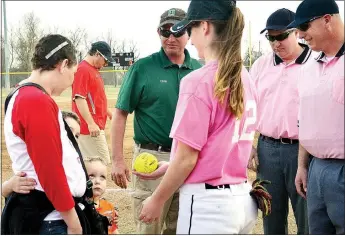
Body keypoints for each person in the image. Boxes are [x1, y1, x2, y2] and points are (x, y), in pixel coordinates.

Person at [137, 0, 259, 234]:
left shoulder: (198, 80)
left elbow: (187, 159)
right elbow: (215, 146)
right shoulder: (245, 76)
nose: (190, 40)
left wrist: (157, 199)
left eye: (191, 29)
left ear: (205, 27)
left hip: (209, 206)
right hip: (242, 199)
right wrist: (170, 165)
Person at [111, 7, 201, 234]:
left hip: (187, 159)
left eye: (177, 31)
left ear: (189, 33)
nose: (171, 37)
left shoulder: (200, 70)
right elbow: (120, 114)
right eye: (165, 31)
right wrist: (117, 160)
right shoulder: (143, 68)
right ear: (158, 32)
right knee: (148, 228)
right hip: (151, 158)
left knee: (180, 228)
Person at [3, 34, 86, 234]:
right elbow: (50, 170)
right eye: (73, 72)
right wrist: (74, 224)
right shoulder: (35, 100)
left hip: (46, 214)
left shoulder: (25, 95)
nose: (71, 81)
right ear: (63, 64)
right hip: (50, 220)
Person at [248, 8, 311, 235]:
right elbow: (245, 109)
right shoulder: (260, 66)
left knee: (307, 218)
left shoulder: (315, 63)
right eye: (271, 38)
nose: (276, 43)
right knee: (270, 216)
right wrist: (249, 146)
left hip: (303, 150)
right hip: (267, 150)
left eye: (282, 36)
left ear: (297, 32)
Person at [287, 0, 344, 234]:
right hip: (316, 169)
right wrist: (303, 166)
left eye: (304, 27)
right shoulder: (309, 65)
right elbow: (307, 121)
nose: (300, 35)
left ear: (327, 20)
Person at [2, 111, 81, 198]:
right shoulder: (32, 159)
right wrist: (10, 185)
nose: (73, 138)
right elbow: (4, 191)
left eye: (77, 136)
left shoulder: (75, 163)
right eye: (68, 131)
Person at [72, 41, 115, 165]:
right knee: (101, 163)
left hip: (95, 125)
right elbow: (79, 98)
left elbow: (95, 97)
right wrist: (91, 123)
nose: (105, 64)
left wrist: (107, 112)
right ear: (97, 54)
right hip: (89, 128)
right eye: (105, 60)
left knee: (92, 164)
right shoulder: (83, 70)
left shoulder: (93, 70)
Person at [84, 157, 120, 234]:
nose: (97, 181)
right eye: (91, 176)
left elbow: (113, 231)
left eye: (102, 177)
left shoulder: (108, 206)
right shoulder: (80, 209)